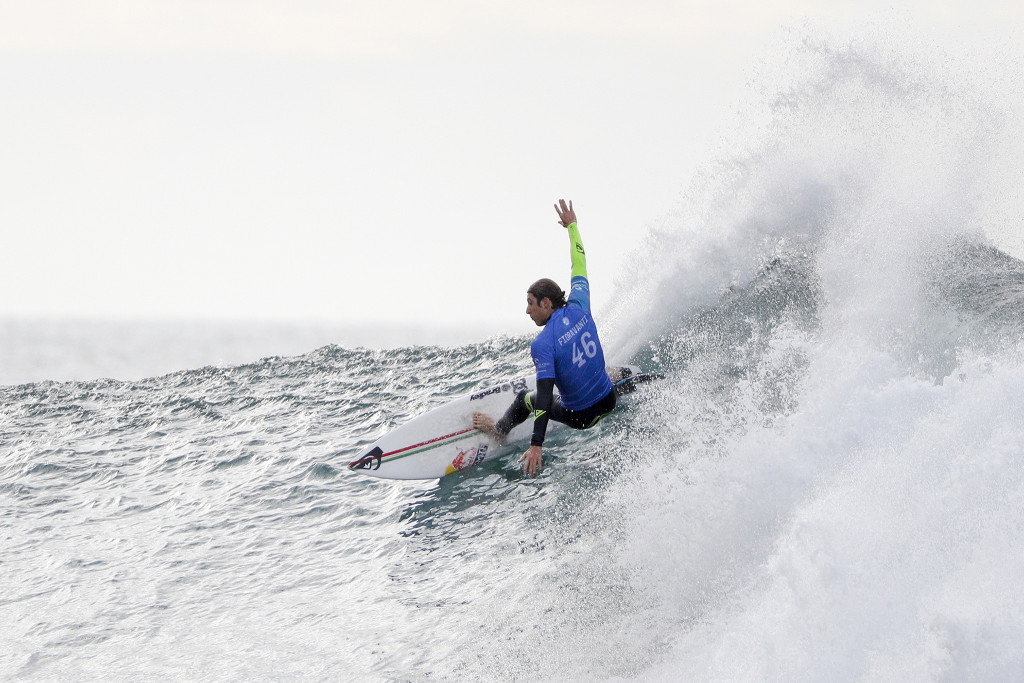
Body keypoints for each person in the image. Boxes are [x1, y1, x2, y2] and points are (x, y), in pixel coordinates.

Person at [473, 199, 616, 474]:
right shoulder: (579, 303)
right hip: (608, 400)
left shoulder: (543, 343)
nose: (527, 310)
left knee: (525, 398)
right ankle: (627, 380)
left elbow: (544, 396)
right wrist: (572, 227)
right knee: (609, 373)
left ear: (547, 303)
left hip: (582, 417)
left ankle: (499, 430)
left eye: (531, 303)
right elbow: (579, 262)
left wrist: (536, 444)